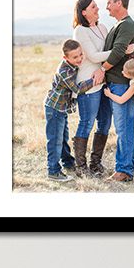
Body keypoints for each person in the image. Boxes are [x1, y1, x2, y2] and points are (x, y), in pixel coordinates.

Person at [67, 0, 133, 177]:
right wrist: (120, 51)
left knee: (104, 123)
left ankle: (96, 163)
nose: (98, 9)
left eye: (97, 6)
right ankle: (81, 167)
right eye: (94, 7)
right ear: (84, 12)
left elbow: (108, 53)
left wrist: (119, 54)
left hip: (104, 82)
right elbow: (95, 56)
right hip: (88, 85)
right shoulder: (80, 31)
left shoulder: (103, 28)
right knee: (86, 123)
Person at [44, 39, 104, 181]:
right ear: (65, 58)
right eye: (75, 57)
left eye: (80, 55)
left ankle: (68, 162)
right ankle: (53, 171)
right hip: (54, 108)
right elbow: (77, 89)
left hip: (61, 108)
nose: (79, 59)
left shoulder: (73, 65)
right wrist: (95, 80)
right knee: (55, 140)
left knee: (63, 137)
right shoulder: (64, 71)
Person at [98, 0, 134, 182]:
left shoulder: (127, 26)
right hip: (115, 83)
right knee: (125, 127)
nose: (106, 6)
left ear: (119, 3)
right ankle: (132, 164)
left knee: (123, 128)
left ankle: (123, 170)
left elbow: (116, 53)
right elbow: (119, 51)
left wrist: (101, 70)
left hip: (121, 84)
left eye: (109, 2)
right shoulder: (119, 25)